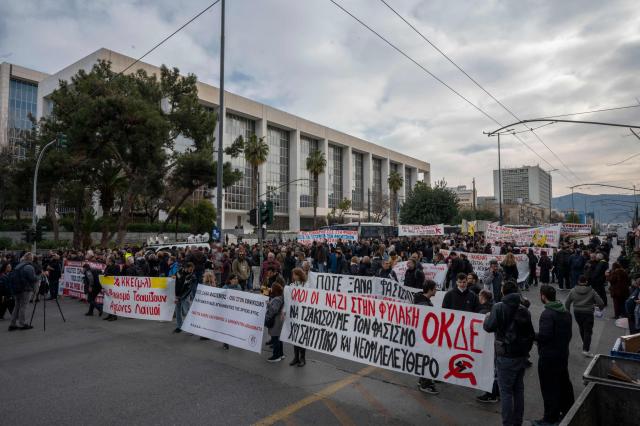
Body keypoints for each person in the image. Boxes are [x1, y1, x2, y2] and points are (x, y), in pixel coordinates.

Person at [483, 280, 535, 426]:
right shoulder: (524, 309)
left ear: (503, 291)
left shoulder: (499, 307)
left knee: (506, 392)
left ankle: (507, 423)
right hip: (521, 355)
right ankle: (517, 421)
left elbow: (488, 327)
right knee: (518, 390)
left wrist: (487, 317)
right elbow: (530, 334)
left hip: (505, 355)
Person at [533, 285, 574, 426]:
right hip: (562, 354)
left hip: (549, 357)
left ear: (543, 296)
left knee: (549, 387)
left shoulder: (548, 314)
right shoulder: (565, 312)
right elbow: (569, 334)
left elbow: (545, 336)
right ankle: (568, 410)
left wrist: (533, 336)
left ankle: (550, 418)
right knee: (563, 383)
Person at [564, 275, 604, 357]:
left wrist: (568, 312)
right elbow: (601, 303)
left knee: (581, 328)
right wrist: (600, 308)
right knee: (588, 331)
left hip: (577, 312)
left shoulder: (573, 291)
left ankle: (585, 342)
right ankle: (586, 350)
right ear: (586, 282)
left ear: (578, 282)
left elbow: (567, 303)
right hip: (588, 313)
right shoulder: (592, 291)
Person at [413, 279, 439, 395]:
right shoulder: (424, 304)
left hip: (423, 336)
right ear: (430, 289)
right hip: (424, 337)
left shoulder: (422, 300)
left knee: (425, 358)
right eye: (435, 288)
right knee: (427, 358)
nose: (437, 290)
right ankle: (426, 383)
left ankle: (423, 380)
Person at [476, 289, 500, 403]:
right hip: (496, 344)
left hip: (488, 345)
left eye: (479, 296)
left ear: (483, 297)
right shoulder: (496, 308)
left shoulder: (483, 312)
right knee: (495, 369)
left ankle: (491, 394)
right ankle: (496, 392)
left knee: (489, 369)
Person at [289, 268, 307, 367]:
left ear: (299, 275)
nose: (293, 276)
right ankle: (296, 357)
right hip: (294, 314)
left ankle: (302, 358)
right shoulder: (291, 286)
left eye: (295, 274)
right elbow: (288, 299)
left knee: (302, 337)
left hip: (303, 314)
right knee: (294, 336)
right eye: (293, 274)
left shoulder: (306, 285)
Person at [174, 262, 196, 333]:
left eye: (192, 270)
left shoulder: (192, 277)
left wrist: (181, 297)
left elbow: (189, 289)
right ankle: (179, 326)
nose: (191, 271)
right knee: (178, 311)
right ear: (185, 268)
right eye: (190, 269)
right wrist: (172, 277)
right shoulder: (178, 272)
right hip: (177, 294)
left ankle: (191, 327)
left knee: (187, 311)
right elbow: (174, 281)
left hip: (185, 296)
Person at [265, 283, 285, 362]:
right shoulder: (281, 297)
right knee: (278, 338)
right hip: (279, 320)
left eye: (272, 288)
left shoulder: (277, 299)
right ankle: (281, 354)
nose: (271, 289)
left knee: (275, 338)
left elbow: (274, 310)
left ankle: (276, 356)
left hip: (276, 321)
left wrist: (269, 304)